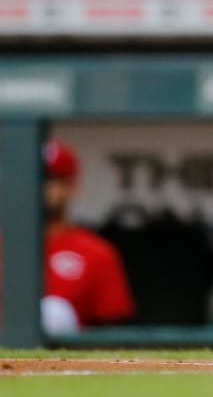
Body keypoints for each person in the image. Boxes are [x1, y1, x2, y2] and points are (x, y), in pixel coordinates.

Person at [39, 140, 136, 333]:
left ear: (72, 187)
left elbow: (113, 334)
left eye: (51, 179)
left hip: (69, 359)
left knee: (54, 314)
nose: (42, 188)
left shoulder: (97, 253)